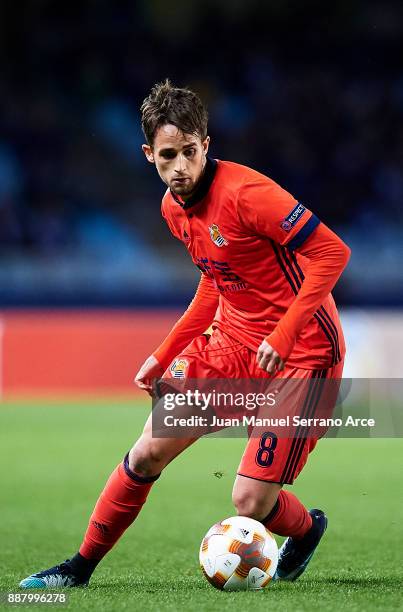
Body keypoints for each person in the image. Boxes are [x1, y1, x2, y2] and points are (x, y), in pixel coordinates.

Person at [20, 80, 350, 588]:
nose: (180, 167)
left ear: (206, 146)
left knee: (249, 502)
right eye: (168, 155)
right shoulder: (172, 210)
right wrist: (164, 352)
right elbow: (214, 283)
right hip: (233, 344)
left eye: (189, 152)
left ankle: (304, 531)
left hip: (304, 350)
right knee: (147, 451)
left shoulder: (249, 194)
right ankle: (77, 569)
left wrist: (284, 336)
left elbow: (333, 253)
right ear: (149, 154)